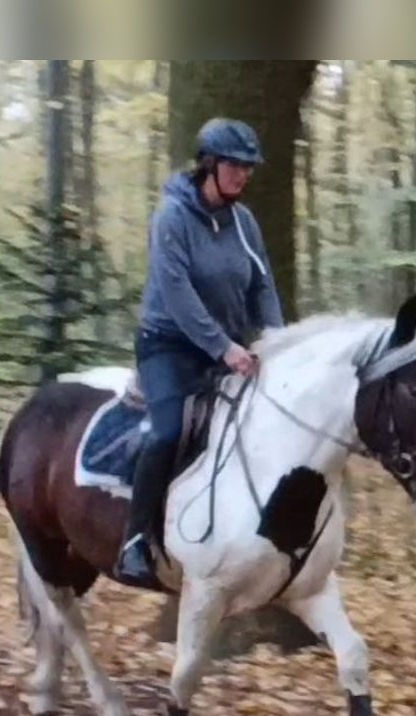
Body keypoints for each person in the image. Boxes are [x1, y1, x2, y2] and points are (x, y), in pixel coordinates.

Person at [113, 117, 285, 589]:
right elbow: (177, 292)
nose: (243, 174)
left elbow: (263, 286)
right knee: (168, 432)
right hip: (168, 346)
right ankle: (135, 540)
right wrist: (224, 348)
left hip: (226, 348)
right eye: (235, 164)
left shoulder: (244, 223)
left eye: (249, 167)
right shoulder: (171, 217)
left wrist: (278, 342)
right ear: (209, 163)